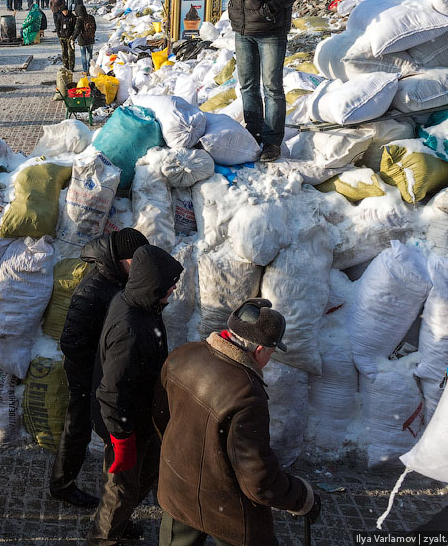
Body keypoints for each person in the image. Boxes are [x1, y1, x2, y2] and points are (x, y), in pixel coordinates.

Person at [157, 298, 321, 546]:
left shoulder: (183, 355)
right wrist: (302, 497)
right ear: (259, 350)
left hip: (179, 491)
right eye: (272, 351)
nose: (270, 358)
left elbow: (161, 418)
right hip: (228, 513)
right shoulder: (247, 394)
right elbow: (258, 480)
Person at [186, 0, 312, 163]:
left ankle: (272, 142)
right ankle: (254, 134)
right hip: (242, 28)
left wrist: (276, 3)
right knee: (247, 86)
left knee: (272, 88)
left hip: (271, 29)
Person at [88, 245, 183, 546]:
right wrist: (121, 438)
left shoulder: (143, 306)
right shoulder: (130, 328)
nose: (174, 288)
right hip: (125, 425)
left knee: (146, 475)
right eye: (169, 284)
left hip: (142, 417)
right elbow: (111, 392)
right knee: (120, 491)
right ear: (152, 284)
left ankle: (118, 521)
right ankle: (103, 538)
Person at [52, 229, 148, 509]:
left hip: (103, 367)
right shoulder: (93, 289)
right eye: (136, 262)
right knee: (78, 427)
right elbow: (71, 341)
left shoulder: (119, 278)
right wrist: (96, 372)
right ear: (122, 259)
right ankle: (63, 485)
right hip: (87, 371)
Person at [75, 3, 97, 74]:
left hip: (82, 40)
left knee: (83, 56)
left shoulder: (79, 19)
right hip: (90, 39)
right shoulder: (91, 17)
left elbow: (77, 30)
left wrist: (73, 38)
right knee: (90, 55)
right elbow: (95, 27)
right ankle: (90, 69)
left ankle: (85, 70)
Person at [58, 4, 77, 71]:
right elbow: (57, 26)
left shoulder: (72, 17)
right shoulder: (60, 17)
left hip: (70, 37)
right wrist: (59, 34)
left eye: (66, 11)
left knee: (71, 52)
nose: (65, 12)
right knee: (64, 52)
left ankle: (71, 67)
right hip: (62, 37)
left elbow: (76, 28)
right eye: (63, 11)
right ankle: (65, 66)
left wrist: (73, 36)